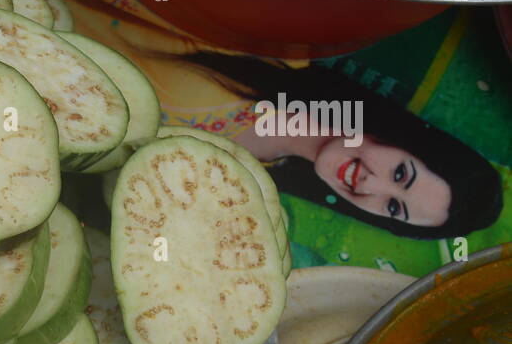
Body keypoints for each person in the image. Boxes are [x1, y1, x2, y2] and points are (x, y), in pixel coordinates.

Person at [179, 52, 503, 240]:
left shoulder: (239, 185)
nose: (370, 185)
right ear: (404, 140)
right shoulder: (278, 52)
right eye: (400, 173)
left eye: (392, 207)